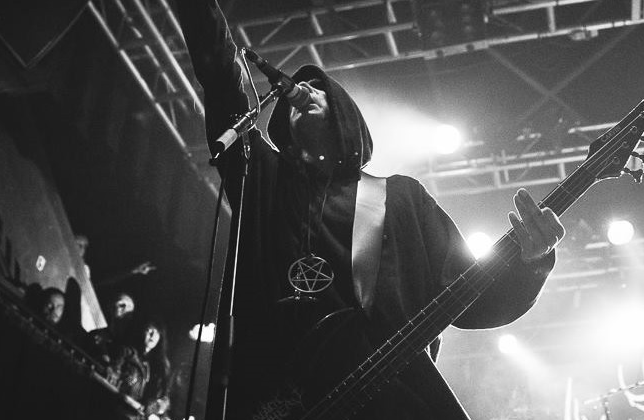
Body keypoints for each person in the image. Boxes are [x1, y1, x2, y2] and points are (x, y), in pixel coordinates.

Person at [180, 1, 566, 419]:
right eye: (297, 91)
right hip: (277, 403)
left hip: (385, 403)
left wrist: (531, 264)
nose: (303, 91)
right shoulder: (266, 179)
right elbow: (222, 78)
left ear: (345, 114)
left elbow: (471, 298)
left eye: (318, 87)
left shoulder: (401, 199)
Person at [112, 316, 173, 420]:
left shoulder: (162, 366)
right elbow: (114, 375)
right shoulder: (126, 353)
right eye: (149, 330)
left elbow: (165, 398)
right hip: (121, 411)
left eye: (157, 333)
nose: (153, 336)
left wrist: (156, 406)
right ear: (142, 331)